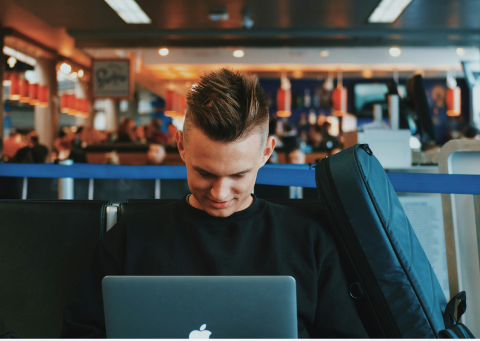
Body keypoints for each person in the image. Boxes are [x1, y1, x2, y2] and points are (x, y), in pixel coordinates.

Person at [60, 69, 367, 338]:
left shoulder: (309, 242)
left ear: (266, 152)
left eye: (238, 175)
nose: (220, 193)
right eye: (205, 173)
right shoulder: (129, 239)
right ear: (181, 145)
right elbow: (80, 333)